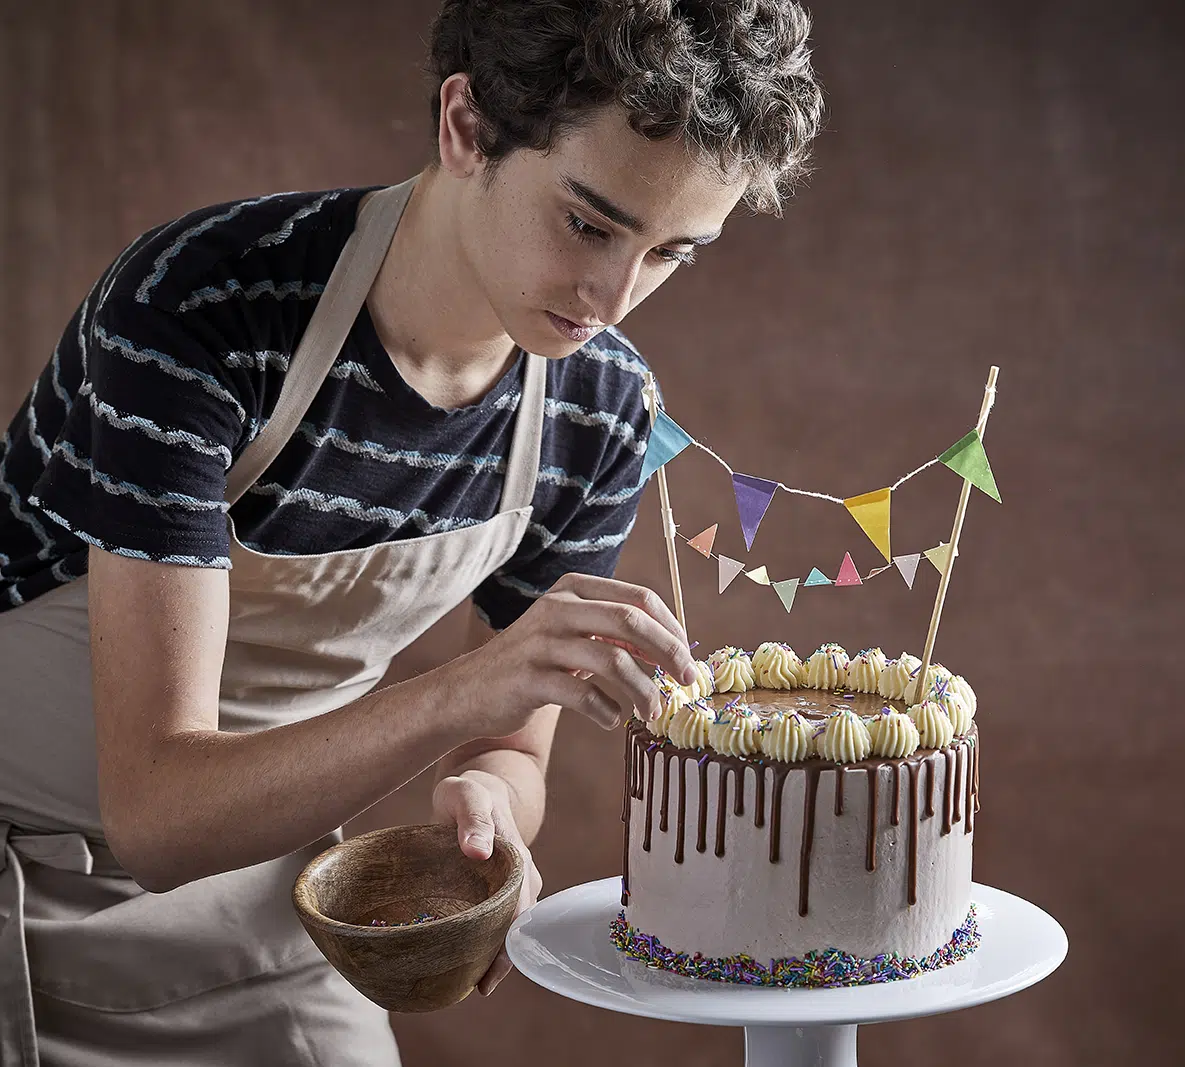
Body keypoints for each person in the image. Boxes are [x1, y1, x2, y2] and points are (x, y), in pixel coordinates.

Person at [0, 0, 824, 1062]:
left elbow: (511, 749)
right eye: (589, 223)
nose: (613, 297)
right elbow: (157, 815)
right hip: (23, 877)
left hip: (273, 893)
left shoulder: (598, 411)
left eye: (673, 254)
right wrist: (460, 694)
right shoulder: (203, 306)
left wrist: (489, 808)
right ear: (466, 128)